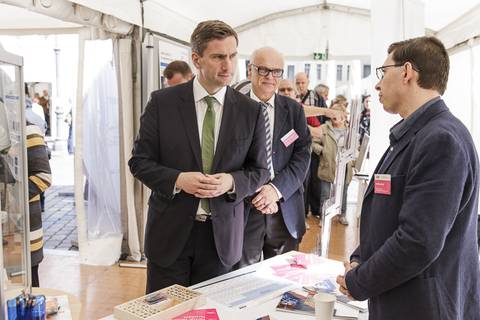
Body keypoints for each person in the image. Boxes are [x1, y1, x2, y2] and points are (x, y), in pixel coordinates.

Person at [336, 36, 480, 319]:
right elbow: (392, 213)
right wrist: (360, 257)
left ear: (407, 72)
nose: (377, 84)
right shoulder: (415, 134)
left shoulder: (440, 140)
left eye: (383, 71)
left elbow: (418, 241)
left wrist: (360, 280)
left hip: (422, 305)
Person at [129, 20, 270, 293]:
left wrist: (230, 182)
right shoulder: (162, 103)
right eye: (218, 57)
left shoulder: (250, 111)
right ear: (196, 59)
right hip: (169, 236)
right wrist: (179, 179)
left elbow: (261, 170)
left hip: (222, 240)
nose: (228, 65)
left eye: (232, 55)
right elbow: (139, 162)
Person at [239, 47, 311, 266]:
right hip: (244, 209)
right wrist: (259, 194)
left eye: (276, 71)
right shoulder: (233, 108)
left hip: (284, 208)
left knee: (284, 281)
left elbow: (302, 154)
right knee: (240, 278)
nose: (270, 77)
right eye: (263, 70)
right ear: (250, 70)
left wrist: (275, 190)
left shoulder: (293, 110)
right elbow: (226, 159)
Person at [312, 103, 352, 226]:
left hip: (344, 167)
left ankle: (342, 215)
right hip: (328, 166)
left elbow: (356, 147)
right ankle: (324, 216)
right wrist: (322, 151)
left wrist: (354, 164)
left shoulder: (349, 131)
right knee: (325, 193)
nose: (335, 116)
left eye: (338, 114)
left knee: (343, 192)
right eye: (333, 113)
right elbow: (313, 143)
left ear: (344, 116)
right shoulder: (324, 128)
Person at [26, 121, 52, 286]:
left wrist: (10, 196)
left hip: (24, 233)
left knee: (28, 294)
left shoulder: (28, 129)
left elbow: (43, 177)